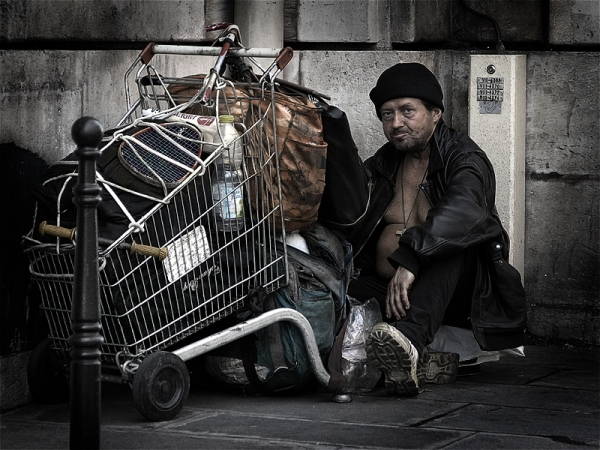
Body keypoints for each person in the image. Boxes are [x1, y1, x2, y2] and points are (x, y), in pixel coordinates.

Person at [345, 63, 526, 395]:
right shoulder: (381, 165)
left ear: (435, 113)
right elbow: (348, 219)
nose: (396, 122)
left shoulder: (465, 158)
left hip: (457, 301)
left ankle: (409, 345)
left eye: (407, 111)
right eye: (387, 114)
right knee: (335, 282)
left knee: (457, 243)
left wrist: (411, 259)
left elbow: (464, 213)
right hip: (392, 294)